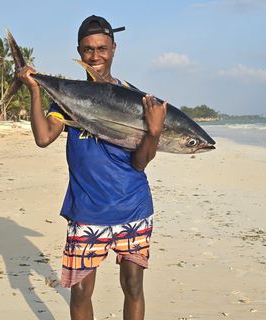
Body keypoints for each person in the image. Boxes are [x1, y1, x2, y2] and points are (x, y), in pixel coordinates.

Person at [17, 15, 167, 320]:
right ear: (79, 51)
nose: (95, 55)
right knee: (81, 292)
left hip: (133, 207)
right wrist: (34, 90)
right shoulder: (68, 98)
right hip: (86, 210)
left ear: (113, 48)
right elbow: (44, 137)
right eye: (87, 49)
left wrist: (153, 132)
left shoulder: (135, 100)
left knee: (134, 286)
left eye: (101, 48)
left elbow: (139, 163)